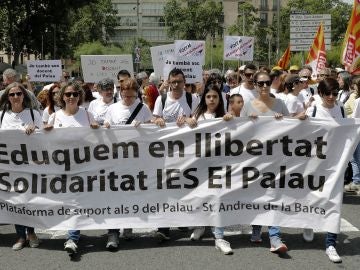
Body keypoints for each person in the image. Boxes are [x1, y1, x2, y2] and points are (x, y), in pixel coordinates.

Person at [44, 81, 99, 256]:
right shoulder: (55, 116)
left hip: (84, 166)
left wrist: (99, 129)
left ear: (80, 96)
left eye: (75, 94)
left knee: (77, 201)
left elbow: (100, 141)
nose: (71, 97)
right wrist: (44, 131)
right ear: (62, 97)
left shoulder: (88, 115)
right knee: (70, 202)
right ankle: (73, 234)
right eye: (67, 94)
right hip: (62, 168)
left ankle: (72, 237)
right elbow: (44, 142)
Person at [240, 71, 289, 254]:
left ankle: (275, 237)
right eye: (259, 83)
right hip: (254, 159)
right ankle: (256, 229)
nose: (264, 86)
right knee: (257, 195)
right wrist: (246, 120)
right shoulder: (247, 105)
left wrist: (285, 119)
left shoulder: (280, 104)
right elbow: (238, 132)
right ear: (255, 84)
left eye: (267, 82)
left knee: (273, 195)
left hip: (275, 159)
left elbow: (294, 129)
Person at [102, 78, 152, 250]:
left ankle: (129, 224)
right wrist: (106, 125)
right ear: (121, 92)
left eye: (132, 96)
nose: (129, 99)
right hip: (116, 159)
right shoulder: (112, 108)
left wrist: (145, 124)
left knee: (131, 193)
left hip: (136, 160)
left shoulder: (143, 108)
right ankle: (113, 233)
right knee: (114, 195)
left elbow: (153, 131)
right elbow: (104, 130)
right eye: (126, 95)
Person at [152, 68, 198, 241]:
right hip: (165, 153)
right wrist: (158, 120)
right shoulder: (161, 99)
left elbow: (198, 120)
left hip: (186, 151)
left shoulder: (191, 98)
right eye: (173, 82)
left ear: (184, 82)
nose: (176, 84)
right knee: (165, 188)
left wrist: (188, 120)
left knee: (183, 186)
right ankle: (163, 227)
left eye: (179, 81)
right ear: (168, 83)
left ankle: (181, 218)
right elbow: (153, 120)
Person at [189, 83, 233, 254]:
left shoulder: (224, 116)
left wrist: (231, 118)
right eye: (208, 96)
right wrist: (188, 120)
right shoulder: (198, 116)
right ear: (204, 99)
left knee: (218, 198)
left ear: (219, 99)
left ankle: (220, 237)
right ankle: (200, 226)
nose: (212, 99)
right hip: (200, 165)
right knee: (201, 197)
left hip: (219, 166)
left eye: (215, 96)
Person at [305, 78, 344, 263]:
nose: (331, 97)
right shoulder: (314, 109)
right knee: (311, 195)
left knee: (334, 201)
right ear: (320, 93)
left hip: (336, 164)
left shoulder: (341, 109)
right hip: (314, 162)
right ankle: (308, 222)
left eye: (335, 93)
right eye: (327, 93)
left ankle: (330, 243)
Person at [0, 82, 42, 250]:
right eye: (12, 94)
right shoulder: (2, 115)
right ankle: (20, 236)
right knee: (15, 201)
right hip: (8, 166)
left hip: (30, 164)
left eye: (19, 93)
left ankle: (31, 233)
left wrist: (35, 127)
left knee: (29, 200)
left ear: (24, 95)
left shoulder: (33, 113)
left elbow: (45, 136)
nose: (16, 97)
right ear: (7, 97)